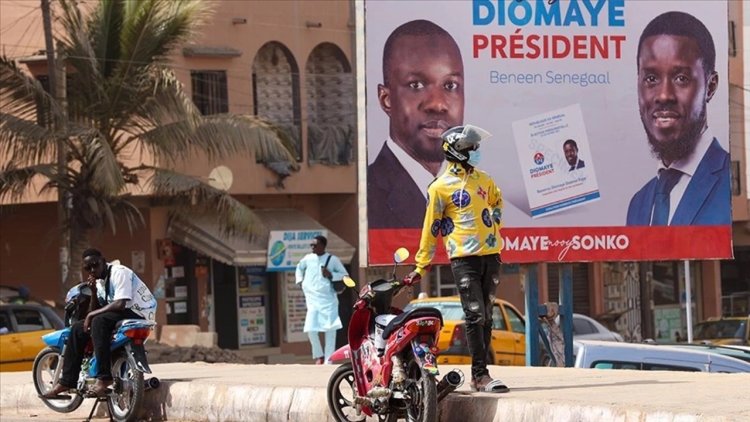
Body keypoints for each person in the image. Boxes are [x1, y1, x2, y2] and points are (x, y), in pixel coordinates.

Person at [404, 125, 509, 393]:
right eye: (472, 148)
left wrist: (495, 219)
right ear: (458, 152)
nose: (477, 152)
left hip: (491, 254)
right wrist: (421, 264)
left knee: (486, 317)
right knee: (474, 315)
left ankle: (479, 375)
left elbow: (497, 201)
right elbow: (431, 228)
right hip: (464, 258)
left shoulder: (484, 180)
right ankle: (480, 374)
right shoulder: (439, 188)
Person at [626, 11, 730, 226]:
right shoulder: (638, 204)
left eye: (681, 78)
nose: (664, 95)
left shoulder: (729, 183)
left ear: (710, 86)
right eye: (651, 78)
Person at [367, 19, 464, 229]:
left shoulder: (477, 192)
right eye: (416, 85)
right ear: (386, 99)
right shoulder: (368, 197)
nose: (437, 104)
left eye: (450, 85)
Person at [42, 248, 157, 398]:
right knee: (77, 328)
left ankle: (104, 378)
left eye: (95, 265)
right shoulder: (100, 283)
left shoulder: (119, 272)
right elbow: (99, 309)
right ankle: (67, 381)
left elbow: (120, 304)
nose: (92, 270)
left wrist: (91, 315)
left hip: (140, 312)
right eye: (88, 268)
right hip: (121, 314)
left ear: (103, 261)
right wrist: (94, 292)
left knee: (98, 321)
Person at [295, 235, 348, 364]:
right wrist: (300, 282)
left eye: (315, 245)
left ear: (323, 246)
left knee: (330, 330)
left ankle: (328, 360)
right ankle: (319, 354)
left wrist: (331, 275)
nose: (312, 247)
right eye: (311, 245)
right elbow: (299, 268)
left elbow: (345, 275)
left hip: (328, 300)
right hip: (312, 300)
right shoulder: (308, 259)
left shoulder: (332, 259)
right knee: (310, 329)